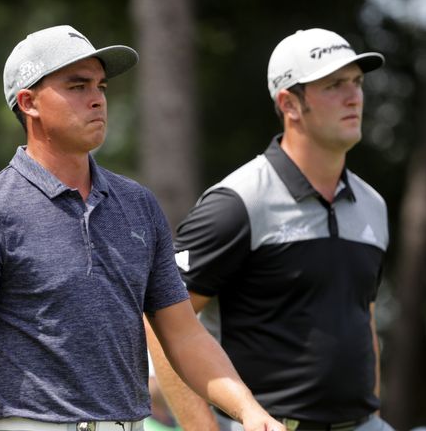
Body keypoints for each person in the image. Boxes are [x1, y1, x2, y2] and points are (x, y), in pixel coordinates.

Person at [0, 24, 286, 431]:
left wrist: (247, 409)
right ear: (29, 103)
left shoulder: (138, 205)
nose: (97, 99)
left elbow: (185, 336)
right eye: (78, 86)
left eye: (100, 86)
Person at [147, 28, 394, 431]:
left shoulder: (373, 205)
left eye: (357, 82)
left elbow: (363, 316)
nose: (354, 97)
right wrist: (201, 428)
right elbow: (162, 321)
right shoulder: (237, 203)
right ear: (289, 104)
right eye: (334, 85)